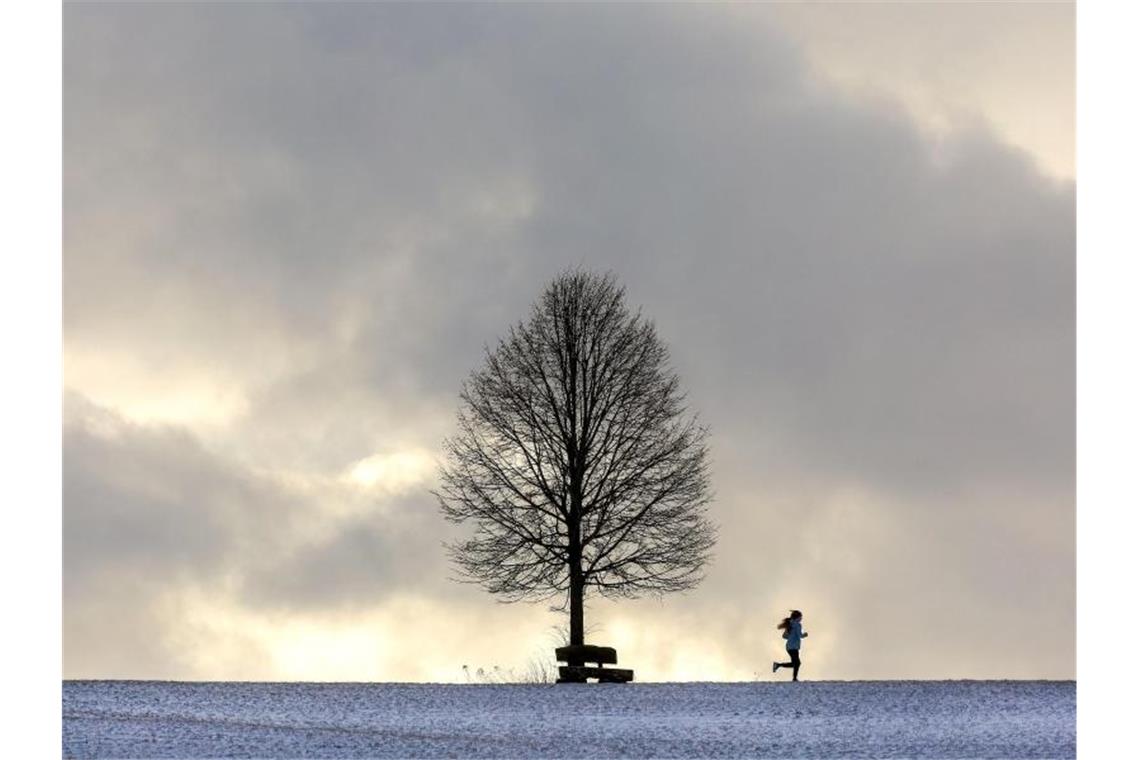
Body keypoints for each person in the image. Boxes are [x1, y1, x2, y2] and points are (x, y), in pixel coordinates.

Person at [772, 610, 808, 681]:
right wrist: (805, 635)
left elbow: (784, 636)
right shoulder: (798, 625)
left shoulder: (790, 624)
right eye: (801, 617)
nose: (801, 618)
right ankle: (794, 678)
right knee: (797, 663)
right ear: (797, 617)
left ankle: (778, 665)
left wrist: (791, 636)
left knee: (795, 663)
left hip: (789, 647)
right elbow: (800, 635)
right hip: (794, 647)